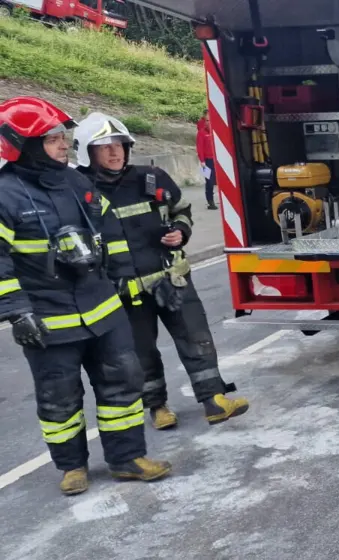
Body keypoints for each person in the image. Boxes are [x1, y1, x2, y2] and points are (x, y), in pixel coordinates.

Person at [0, 96, 172, 496]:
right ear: (24, 145)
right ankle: (71, 466)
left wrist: (121, 277)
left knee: (123, 385)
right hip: (48, 319)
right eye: (54, 139)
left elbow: (108, 231)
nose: (65, 145)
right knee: (59, 398)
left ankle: (127, 459)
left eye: (64, 137)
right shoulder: (5, 196)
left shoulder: (76, 181)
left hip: (103, 309)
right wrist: (17, 311)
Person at [74, 113, 250, 430]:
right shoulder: (80, 193)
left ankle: (214, 400)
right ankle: (157, 407)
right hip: (124, 291)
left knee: (197, 339)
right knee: (141, 354)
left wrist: (181, 232)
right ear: (88, 152)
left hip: (172, 279)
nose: (115, 153)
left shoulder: (151, 178)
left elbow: (181, 209)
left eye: (120, 145)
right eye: (105, 147)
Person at [195, 109, 216, 210]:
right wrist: (202, 161)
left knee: (215, 181)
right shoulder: (201, 133)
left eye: (210, 120)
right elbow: (200, 148)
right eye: (206, 121)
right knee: (209, 181)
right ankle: (210, 201)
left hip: (215, 161)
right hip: (207, 161)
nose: (208, 123)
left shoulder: (215, 132)